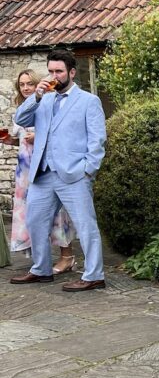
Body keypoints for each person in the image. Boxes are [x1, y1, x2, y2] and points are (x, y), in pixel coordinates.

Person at [10, 48, 107, 292]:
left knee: (86, 225)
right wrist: (38, 96)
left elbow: (97, 141)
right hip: (43, 173)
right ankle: (41, 270)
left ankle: (94, 275)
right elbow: (20, 119)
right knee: (35, 222)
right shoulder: (44, 99)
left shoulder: (88, 101)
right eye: (51, 71)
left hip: (74, 175)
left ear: (71, 72)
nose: (54, 75)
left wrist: (88, 171)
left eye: (59, 71)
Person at [1, 69, 78, 272]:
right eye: (22, 84)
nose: (26, 88)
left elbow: (63, 134)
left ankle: (67, 256)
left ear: (39, 85)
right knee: (32, 213)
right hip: (25, 169)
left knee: (58, 212)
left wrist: (41, 137)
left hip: (47, 166)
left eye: (30, 84)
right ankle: (40, 257)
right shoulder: (23, 108)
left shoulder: (51, 104)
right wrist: (12, 141)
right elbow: (24, 141)